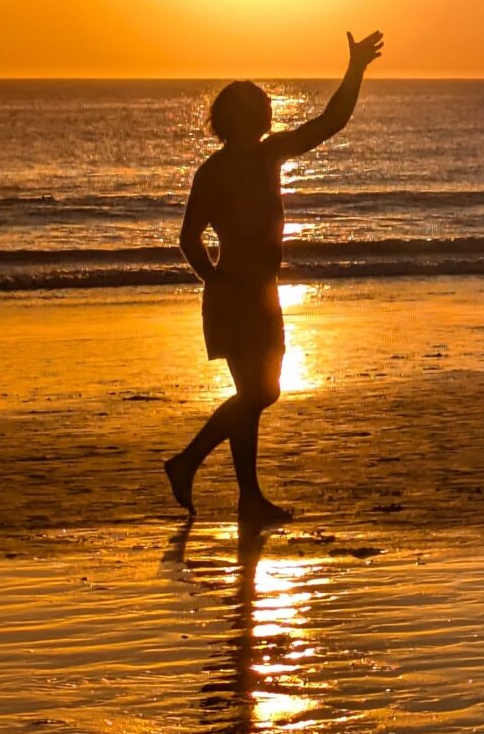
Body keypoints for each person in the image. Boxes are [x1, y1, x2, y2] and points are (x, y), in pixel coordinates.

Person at [164, 29, 384, 521]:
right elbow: (188, 238)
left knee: (254, 395)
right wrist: (215, 281)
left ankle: (246, 498)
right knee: (261, 393)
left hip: (263, 295)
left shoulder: (269, 157)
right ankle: (188, 462)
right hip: (235, 297)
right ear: (237, 118)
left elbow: (331, 122)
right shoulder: (215, 172)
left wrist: (355, 69)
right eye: (258, 107)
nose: (266, 114)